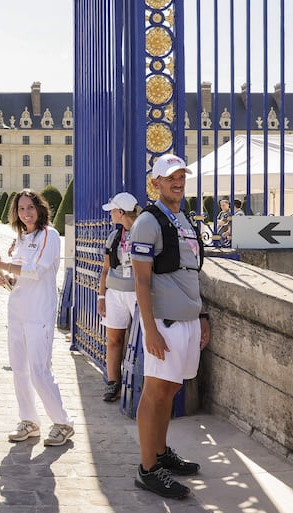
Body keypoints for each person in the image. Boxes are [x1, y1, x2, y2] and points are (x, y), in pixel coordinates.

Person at [130, 153, 210, 499]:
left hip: (188, 319)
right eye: (170, 178)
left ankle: (161, 453)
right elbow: (141, 281)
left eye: (181, 177)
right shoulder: (148, 222)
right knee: (156, 392)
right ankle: (148, 469)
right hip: (164, 323)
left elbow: (191, 272)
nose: (178, 183)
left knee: (172, 390)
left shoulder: (183, 219)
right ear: (155, 183)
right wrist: (150, 329)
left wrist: (202, 315)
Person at [0, 189, 74, 447]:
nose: (26, 213)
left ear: (40, 208)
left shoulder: (49, 235)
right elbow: (20, 278)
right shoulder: (21, 239)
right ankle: (29, 420)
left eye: (30, 208)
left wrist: (4, 266)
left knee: (39, 372)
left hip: (39, 313)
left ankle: (63, 422)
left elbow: (37, 270)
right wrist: (7, 280)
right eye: (21, 209)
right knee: (20, 370)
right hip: (18, 312)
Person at [98, 192, 142, 402]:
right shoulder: (113, 237)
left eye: (113, 211)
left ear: (122, 212)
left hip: (137, 292)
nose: (111, 215)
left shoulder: (144, 233)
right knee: (114, 339)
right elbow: (106, 269)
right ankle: (113, 383)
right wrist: (101, 297)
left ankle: (142, 384)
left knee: (143, 339)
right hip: (115, 293)